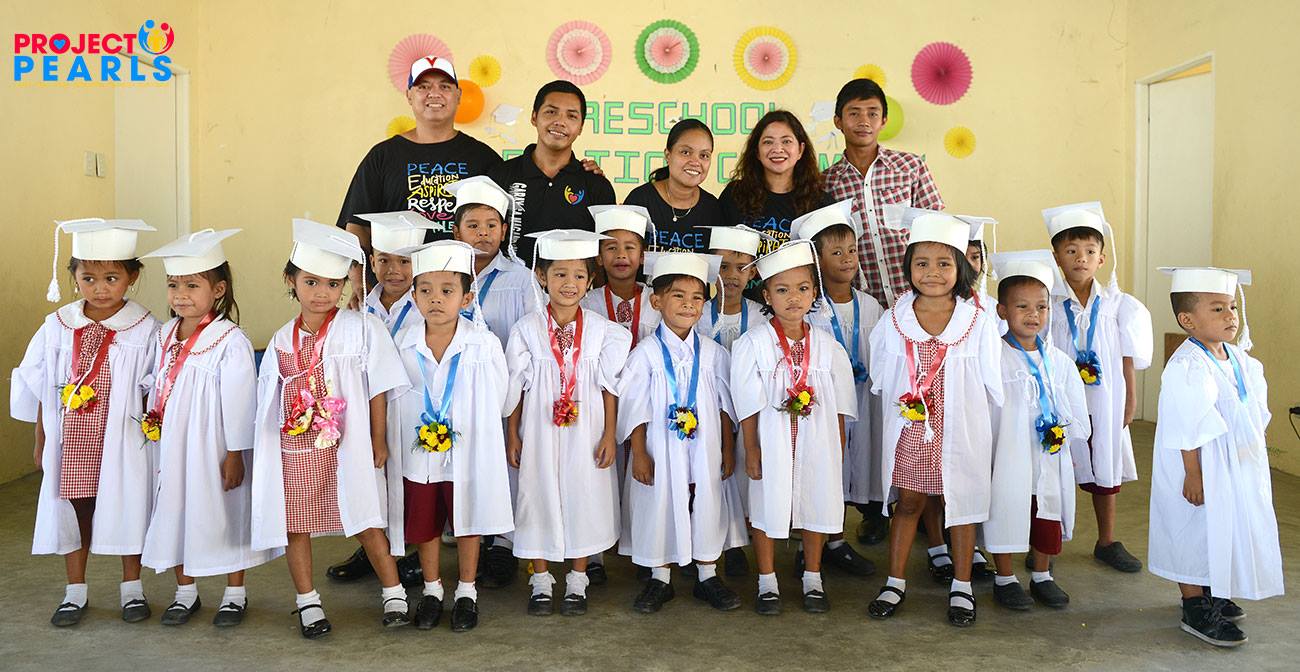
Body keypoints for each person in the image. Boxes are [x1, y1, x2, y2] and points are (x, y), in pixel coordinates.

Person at [249, 220, 411, 638]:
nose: (322, 292)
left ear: (344, 286)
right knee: (296, 523)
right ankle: (307, 602)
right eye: (311, 282)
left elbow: (379, 387)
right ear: (291, 280)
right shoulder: (281, 340)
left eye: (333, 284)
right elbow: (269, 401)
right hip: (297, 448)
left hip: (350, 444)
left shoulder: (362, 327)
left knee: (364, 517)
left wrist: (378, 438)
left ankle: (394, 593)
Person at [12, 218, 161, 627]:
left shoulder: (146, 328)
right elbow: (40, 385)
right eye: (88, 278)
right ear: (74, 277)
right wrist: (41, 438)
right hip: (71, 441)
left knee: (127, 505)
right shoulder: (58, 326)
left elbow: (155, 387)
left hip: (123, 439)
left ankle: (132, 588)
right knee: (74, 509)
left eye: (112, 278)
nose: (100, 288)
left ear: (132, 277)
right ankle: (74, 590)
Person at [866, 208, 1002, 627]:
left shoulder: (977, 322)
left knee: (959, 504)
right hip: (912, 430)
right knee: (908, 502)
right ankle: (895, 580)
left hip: (960, 428)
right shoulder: (895, 319)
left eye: (944, 263)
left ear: (961, 267)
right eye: (921, 263)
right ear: (908, 267)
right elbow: (880, 374)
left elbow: (991, 384)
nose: (932, 273)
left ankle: (962, 585)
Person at [138, 230, 274, 627]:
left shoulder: (229, 339)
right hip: (174, 444)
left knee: (226, 513)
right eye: (173, 285)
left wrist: (235, 454)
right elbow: (158, 380)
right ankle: (185, 592)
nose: (181, 295)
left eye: (192, 285)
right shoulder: (164, 334)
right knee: (176, 509)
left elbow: (241, 401)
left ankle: (234, 594)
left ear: (218, 290)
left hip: (215, 445)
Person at [1148, 267, 1283, 648]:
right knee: (1191, 527)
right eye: (1218, 309)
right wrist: (1193, 474)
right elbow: (1185, 424)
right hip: (1196, 464)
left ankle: (1213, 588)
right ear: (1187, 321)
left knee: (1221, 525)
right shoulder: (1187, 365)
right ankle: (1194, 605)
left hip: (1229, 464)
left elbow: (1250, 411)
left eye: (1232, 307)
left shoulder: (1237, 358)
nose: (1230, 316)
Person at [387, 240, 514, 632]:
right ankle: (431, 590)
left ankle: (467, 592)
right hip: (419, 454)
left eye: (447, 290)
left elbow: (501, 398)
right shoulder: (403, 343)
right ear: (413, 296)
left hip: (468, 451)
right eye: (425, 290)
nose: (436, 299)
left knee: (467, 520)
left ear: (466, 297)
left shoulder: (483, 344)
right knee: (424, 523)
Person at [504, 230, 630, 617]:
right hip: (538, 428)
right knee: (537, 491)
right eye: (559, 274)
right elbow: (516, 386)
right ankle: (541, 580)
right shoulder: (527, 328)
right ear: (542, 276)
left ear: (590, 280)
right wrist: (512, 434)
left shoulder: (603, 331)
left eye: (578, 275)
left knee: (584, 494)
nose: (569, 283)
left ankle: (578, 579)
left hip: (588, 427)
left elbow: (609, 386)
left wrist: (609, 433)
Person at [731, 240, 857, 615]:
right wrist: (751, 450)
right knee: (766, 505)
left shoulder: (828, 347)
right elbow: (747, 405)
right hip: (770, 442)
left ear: (814, 292)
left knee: (817, 502)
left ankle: (813, 577)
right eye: (782, 290)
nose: (793, 298)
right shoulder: (753, 344)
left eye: (802, 288)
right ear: (766, 295)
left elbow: (840, 407)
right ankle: (766, 581)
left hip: (818, 442)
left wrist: (838, 450)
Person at [618, 252, 745, 613]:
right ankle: (660, 578)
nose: (689, 304)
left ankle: (707, 574)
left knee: (707, 501)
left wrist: (727, 449)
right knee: (659, 503)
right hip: (659, 448)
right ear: (656, 301)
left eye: (697, 298)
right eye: (678, 296)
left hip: (705, 448)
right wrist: (639, 453)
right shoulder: (645, 354)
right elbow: (635, 408)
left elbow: (725, 407)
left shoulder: (714, 354)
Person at [336, 55, 501, 309]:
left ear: (458, 95)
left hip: (464, 293)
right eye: (423, 86)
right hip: (397, 294)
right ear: (409, 96)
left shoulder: (483, 157)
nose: (434, 93)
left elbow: (500, 226)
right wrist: (360, 283)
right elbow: (357, 226)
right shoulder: (382, 156)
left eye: (444, 86)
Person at [1043, 202, 1153, 573]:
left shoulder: (1119, 305)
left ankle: (1106, 541)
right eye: (1071, 251)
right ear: (1057, 257)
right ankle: (1046, 546)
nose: (1081, 259)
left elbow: (1126, 357)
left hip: (1106, 399)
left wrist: (1130, 399)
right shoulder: (1048, 304)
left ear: (1102, 258)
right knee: (1055, 466)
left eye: (1090, 251)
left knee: (1105, 466)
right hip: (1060, 399)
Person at [983, 251, 1090, 611]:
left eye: (1041, 307)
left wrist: (1068, 442)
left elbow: (1076, 412)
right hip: (1007, 454)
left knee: (1047, 512)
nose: (1033, 315)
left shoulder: (1059, 362)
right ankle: (1005, 578)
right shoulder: (994, 358)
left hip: (1048, 457)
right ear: (1002, 311)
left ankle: (1042, 574)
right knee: (1006, 508)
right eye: (1022, 307)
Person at [445, 175, 535, 589]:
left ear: (505, 229)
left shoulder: (520, 278)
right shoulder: (445, 274)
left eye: (491, 225)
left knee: (502, 463)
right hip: (453, 391)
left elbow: (531, 337)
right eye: (473, 225)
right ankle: (469, 535)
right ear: (456, 230)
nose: (483, 233)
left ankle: (502, 542)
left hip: (503, 391)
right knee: (461, 463)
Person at [795, 201, 884, 577]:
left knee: (854, 466)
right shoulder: (809, 309)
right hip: (822, 405)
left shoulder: (871, 306)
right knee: (822, 468)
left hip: (863, 402)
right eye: (836, 252)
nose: (847, 259)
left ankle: (835, 540)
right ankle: (814, 544)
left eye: (851, 250)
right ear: (816, 260)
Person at [825, 78, 945, 307]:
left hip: (917, 299)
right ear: (838, 121)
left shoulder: (911, 167)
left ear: (884, 121)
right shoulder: (828, 182)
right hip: (863, 306)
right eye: (854, 113)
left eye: (872, 113)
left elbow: (937, 231)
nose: (864, 121)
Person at [695, 225, 770, 577]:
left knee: (743, 477)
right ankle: (709, 543)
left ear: (753, 272)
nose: (731, 275)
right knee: (712, 477)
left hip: (750, 411)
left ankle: (738, 543)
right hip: (707, 411)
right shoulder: (696, 314)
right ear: (711, 269)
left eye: (741, 268)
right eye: (723, 266)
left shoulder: (761, 316)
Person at [489, 80, 616, 262]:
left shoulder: (596, 185)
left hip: (574, 281)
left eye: (571, 116)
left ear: (581, 127)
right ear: (534, 117)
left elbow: (605, 254)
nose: (560, 122)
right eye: (551, 112)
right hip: (510, 279)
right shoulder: (501, 176)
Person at [720, 110, 830, 260]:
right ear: (757, 152)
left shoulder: (821, 204)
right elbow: (719, 255)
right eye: (768, 142)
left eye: (786, 141)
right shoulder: (735, 195)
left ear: (800, 150)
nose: (777, 149)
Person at [624, 119, 722, 252]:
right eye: (686, 152)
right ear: (668, 155)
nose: (695, 162)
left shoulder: (712, 209)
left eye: (704, 155)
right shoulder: (641, 200)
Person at [581, 204, 661, 346]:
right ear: (599, 257)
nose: (621, 255)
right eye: (612, 248)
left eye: (629, 247)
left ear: (642, 256)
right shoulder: (588, 303)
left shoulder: (657, 302)